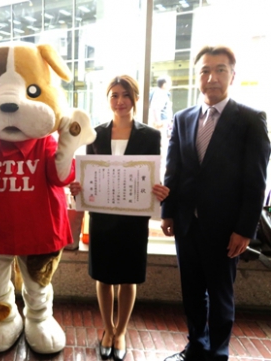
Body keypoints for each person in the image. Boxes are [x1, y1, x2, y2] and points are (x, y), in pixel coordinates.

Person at [161, 46, 270, 361]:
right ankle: (196, 346)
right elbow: (174, 171)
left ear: (232, 75)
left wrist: (244, 230)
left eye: (220, 70)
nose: (212, 77)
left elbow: (256, 182)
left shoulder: (250, 120)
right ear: (197, 77)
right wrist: (168, 213)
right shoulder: (182, 119)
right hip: (186, 224)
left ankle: (217, 353)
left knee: (221, 296)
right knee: (192, 292)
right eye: (205, 71)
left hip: (226, 230)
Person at [70, 75, 169, 361]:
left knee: (128, 277)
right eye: (114, 95)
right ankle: (107, 328)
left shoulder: (150, 135)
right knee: (103, 276)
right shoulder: (96, 134)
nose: (120, 101)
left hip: (133, 218)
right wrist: (79, 187)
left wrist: (159, 189)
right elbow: (88, 175)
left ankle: (121, 331)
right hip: (102, 216)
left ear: (135, 98)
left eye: (125, 95)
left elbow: (152, 174)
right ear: (108, 99)